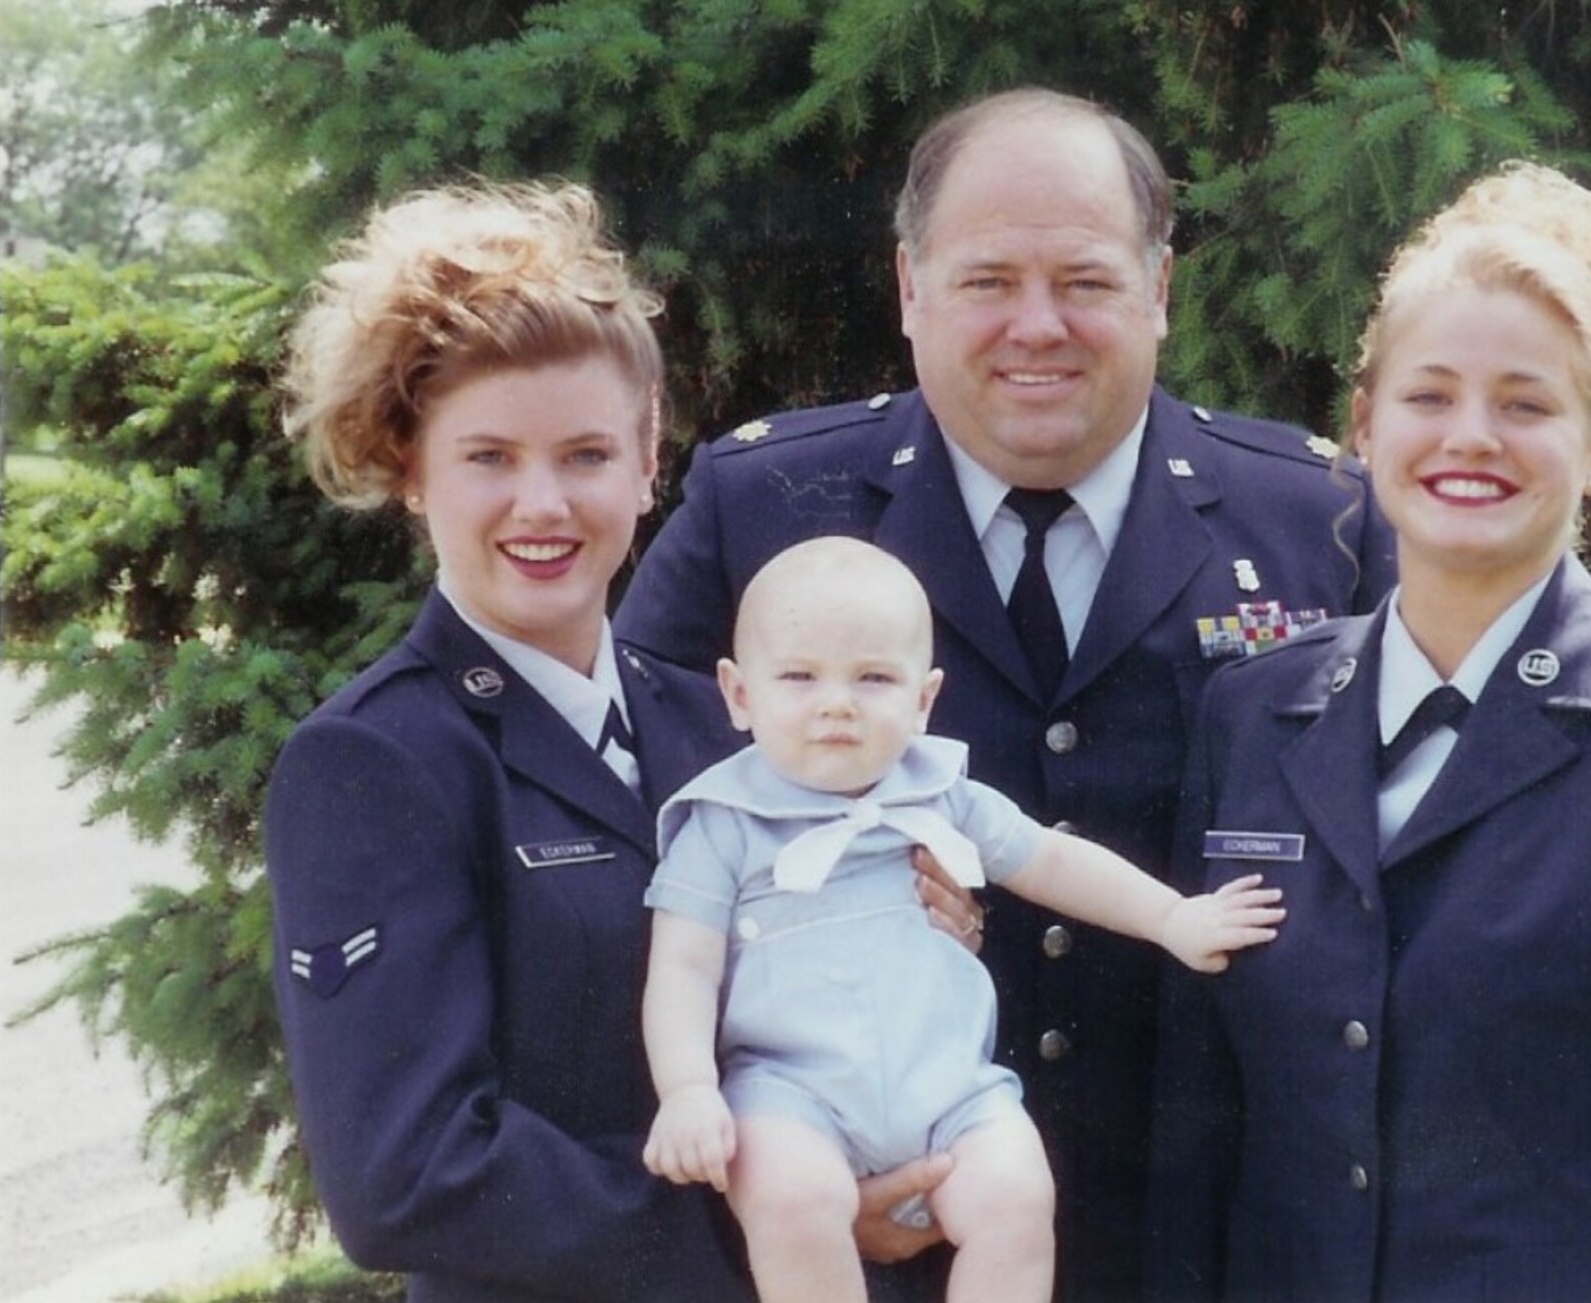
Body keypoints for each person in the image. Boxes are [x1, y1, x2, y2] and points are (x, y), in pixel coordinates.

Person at [615, 87, 1394, 1297]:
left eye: (1084, 280)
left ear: (1159, 293)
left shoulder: (1321, 522)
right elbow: (646, 861)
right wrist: (781, 1164)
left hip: (1215, 1244)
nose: (1037, 325)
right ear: (909, 288)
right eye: (986, 281)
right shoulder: (758, 509)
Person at [1145, 161, 1591, 1301]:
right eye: (1428, 396)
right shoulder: (1253, 713)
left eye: (1524, 404)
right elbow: (1196, 1145)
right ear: (1364, 427)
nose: (1468, 436)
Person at [265, 182, 943, 1302]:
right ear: (409, 471)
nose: (543, 504)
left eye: (584, 455)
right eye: (488, 457)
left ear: (645, 465)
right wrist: (776, 1228)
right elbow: (407, 1173)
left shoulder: (716, 721)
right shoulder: (376, 764)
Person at [638, 536, 1284, 1303]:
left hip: (950, 1088)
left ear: (924, 698)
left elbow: (1051, 860)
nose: (837, 702)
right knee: (790, 1200)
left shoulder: (941, 793)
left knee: (1016, 1194)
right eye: (799, 676)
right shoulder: (724, 822)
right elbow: (681, 966)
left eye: (874, 677)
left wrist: (1175, 916)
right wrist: (686, 1088)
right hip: (789, 1090)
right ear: (740, 694)